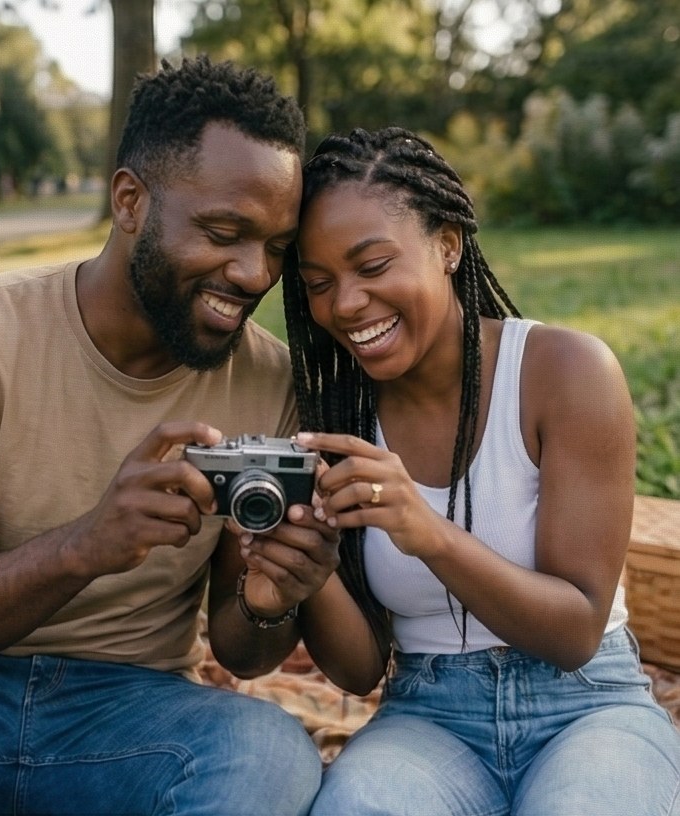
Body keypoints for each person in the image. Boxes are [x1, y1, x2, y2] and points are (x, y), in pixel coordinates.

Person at [0, 56, 339, 815]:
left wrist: (272, 600)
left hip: (134, 722)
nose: (252, 273)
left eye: (275, 246)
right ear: (130, 201)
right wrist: (88, 544)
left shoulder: (269, 382)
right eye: (223, 232)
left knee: (267, 756)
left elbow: (242, 652)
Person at [274, 126, 680, 815]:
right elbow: (360, 670)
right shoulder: (336, 409)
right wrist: (312, 579)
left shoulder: (564, 372)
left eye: (372, 267)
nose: (344, 305)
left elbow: (576, 631)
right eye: (319, 283)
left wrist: (426, 531)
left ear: (448, 244)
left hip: (586, 709)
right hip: (427, 719)